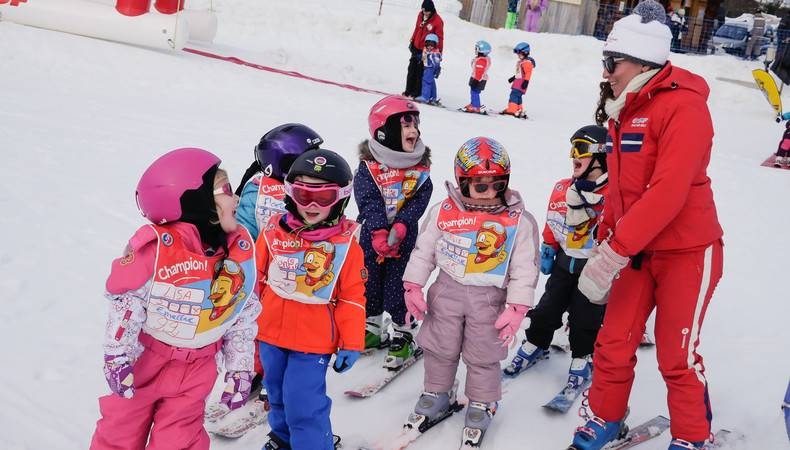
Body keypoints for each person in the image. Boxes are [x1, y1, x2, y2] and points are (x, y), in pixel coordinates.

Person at [568, 2, 724, 449]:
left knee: (676, 357)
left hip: (688, 250)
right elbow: (623, 189)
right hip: (637, 251)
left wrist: (616, 249)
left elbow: (669, 191)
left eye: (611, 62)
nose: (607, 72)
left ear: (641, 60)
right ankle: (604, 418)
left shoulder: (684, 108)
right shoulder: (627, 109)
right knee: (613, 342)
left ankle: (693, 436)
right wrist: (606, 241)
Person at [90, 148, 260, 450]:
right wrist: (117, 356)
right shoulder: (156, 250)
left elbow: (241, 313)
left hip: (199, 369)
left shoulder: (237, 253)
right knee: (120, 431)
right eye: (226, 191)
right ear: (196, 201)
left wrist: (240, 366)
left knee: (179, 440)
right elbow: (126, 305)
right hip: (146, 361)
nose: (235, 200)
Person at [401, 137, 539, 447]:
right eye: (479, 185)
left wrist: (517, 308)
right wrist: (413, 286)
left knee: (483, 353)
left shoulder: (518, 221)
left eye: (497, 185)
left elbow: (524, 268)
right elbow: (423, 251)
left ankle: (482, 400)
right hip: (446, 292)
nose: (489, 192)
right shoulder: (444, 211)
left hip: (489, 300)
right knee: (440, 347)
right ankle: (438, 392)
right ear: (462, 181)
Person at [255, 149, 366, 450]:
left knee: (303, 400)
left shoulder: (346, 246)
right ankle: (282, 437)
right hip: (270, 334)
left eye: (324, 197)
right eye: (304, 195)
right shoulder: (272, 233)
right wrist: (245, 328)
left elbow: (352, 297)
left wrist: (352, 341)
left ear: (340, 198)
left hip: (313, 340)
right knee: (275, 392)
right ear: (291, 195)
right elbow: (256, 279)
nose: (313, 205)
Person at [504, 125, 609, 385]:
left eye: (581, 148)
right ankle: (536, 342)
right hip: (564, 263)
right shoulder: (563, 188)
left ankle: (583, 356)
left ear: (602, 155)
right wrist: (548, 245)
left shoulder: (613, 194)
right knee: (547, 308)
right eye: (572, 147)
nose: (574, 154)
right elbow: (553, 218)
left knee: (585, 316)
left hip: (594, 268)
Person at [354, 96, 433, 370]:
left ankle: (404, 331)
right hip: (371, 237)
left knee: (398, 286)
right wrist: (377, 229)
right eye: (405, 125)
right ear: (384, 132)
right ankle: (372, 327)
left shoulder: (419, 167)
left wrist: (402, 223)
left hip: (404, 238)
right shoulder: (369, 166)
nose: (414, 131)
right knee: (369, 282)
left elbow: (421, 197)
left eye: (415, 124)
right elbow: (367, 198)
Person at [404, 0, 444, 98]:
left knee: (420, 71)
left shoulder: (438, 21)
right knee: (411, 69)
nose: (425, 13)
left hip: (426, 50)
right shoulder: (420, 15)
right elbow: (417, 28)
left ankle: (417, 92)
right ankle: (408, 90)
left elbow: (440, 38)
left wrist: (439, 53)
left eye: (427, 11)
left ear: (432, 10)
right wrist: (412, 41)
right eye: (423, 11)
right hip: (416, 46)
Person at [501, 42, 535, 118]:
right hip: (518, 83)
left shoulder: (527, 63)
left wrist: (526, 82)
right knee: (518, 97)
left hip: (520, 84)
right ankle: (519, 109)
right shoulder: (522, 62)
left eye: (519, 53)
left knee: (513, 95)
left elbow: (528, 73)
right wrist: (513, 78)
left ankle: (512, 109)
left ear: (525, 53)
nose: (518, 55)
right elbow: (520, 73)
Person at [461, 40, 491, 113]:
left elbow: (479, 72)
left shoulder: (481, 60)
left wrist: (476, 80)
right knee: (473, 92)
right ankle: (473, 104)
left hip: (478, 80)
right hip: (478, 78)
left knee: (475, 92)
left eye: (476, 49)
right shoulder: (481, 59)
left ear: (481, 51)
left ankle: (475, 106)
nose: (475, 50)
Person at [416, 34, 442, 105]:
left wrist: (437, 70)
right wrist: (419, 57)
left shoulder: (435, 53)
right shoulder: (426, 50)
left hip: (430, 69)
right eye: (428, 44)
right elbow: (424, 57)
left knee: (426, 82)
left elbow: (436, 63)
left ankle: (425, 96)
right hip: (427, 68)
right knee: (431, 83)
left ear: (436, 45)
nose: (430, 46)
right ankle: (433, 97)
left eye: (432, 44)